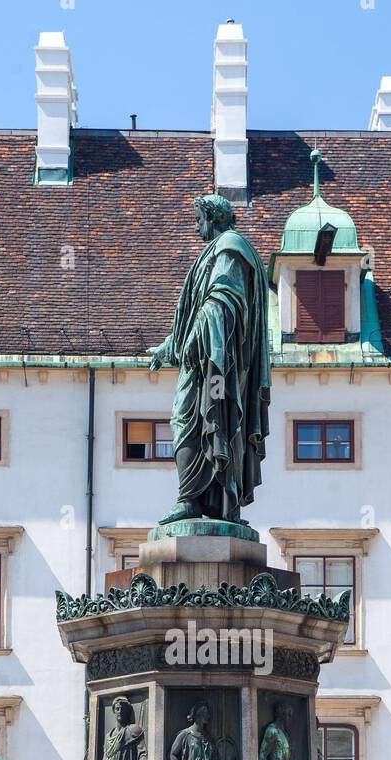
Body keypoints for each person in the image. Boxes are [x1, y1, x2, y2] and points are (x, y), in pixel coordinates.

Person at [148, 194, 270, 524]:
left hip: (216, 366)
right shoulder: (219, 250)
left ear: (211, 218)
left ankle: (192, 499)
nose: (195, 225)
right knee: (199, 421)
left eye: (198, 219)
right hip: (205, 357)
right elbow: (199, 312)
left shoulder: (229, 246)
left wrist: (191, 343)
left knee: (191, 421)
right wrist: (169, 346)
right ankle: (208, 499)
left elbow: (222, 300)